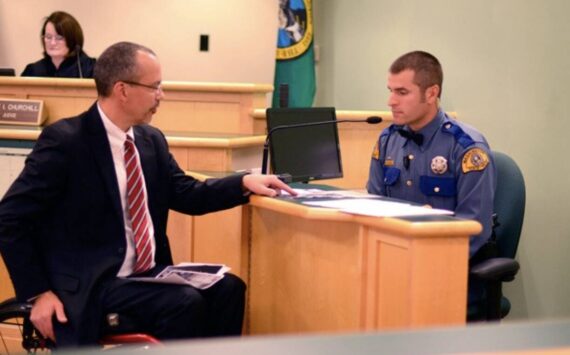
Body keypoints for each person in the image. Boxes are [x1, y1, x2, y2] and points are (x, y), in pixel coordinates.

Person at [0, 41, 295, 347]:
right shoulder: (66, 142)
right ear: (122, 90)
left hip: (146, 274)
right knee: (183, 302)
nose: (161, 96)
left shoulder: (150, 140)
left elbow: (186, 193)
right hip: (91, 283)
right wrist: (37, 293)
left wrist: (243, 183)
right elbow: (9, 219)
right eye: (155, 87)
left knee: (230, 289)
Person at [367, 50, 496, 260]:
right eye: (390, 91)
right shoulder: (388, 139)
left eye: (401, 92)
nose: (391, 101)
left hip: (445, 264)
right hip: (395, 257)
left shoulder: (466, 147)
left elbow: (473, 229)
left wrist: (422, 261)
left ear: (431, 94)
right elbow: (374, 208)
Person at [21, 11, 96, 78]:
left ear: (72, 39)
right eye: (48, 37)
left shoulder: (91, 69)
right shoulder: (33, 71)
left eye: (59, 38)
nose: (52, 43)